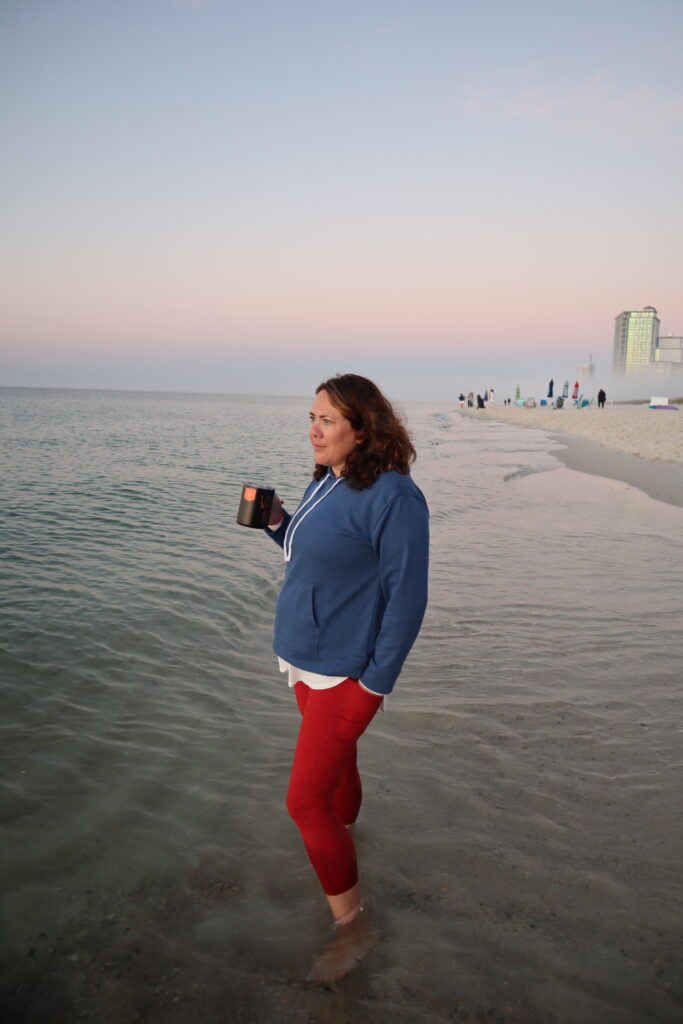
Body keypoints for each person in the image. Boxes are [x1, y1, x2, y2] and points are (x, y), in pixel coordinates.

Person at [263, 373, 429, 981]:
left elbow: (406, 599)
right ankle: (347, 837)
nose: (313, 429)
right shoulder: (325, 483)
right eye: (311, 417)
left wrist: (374, 687)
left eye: (328, 420)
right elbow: (311, 551)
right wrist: (278, 521)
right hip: (304, 658)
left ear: (363, 429)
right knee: (338, 777)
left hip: (344, 671)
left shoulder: (395, 497)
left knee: (304, 802)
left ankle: (353, 924)